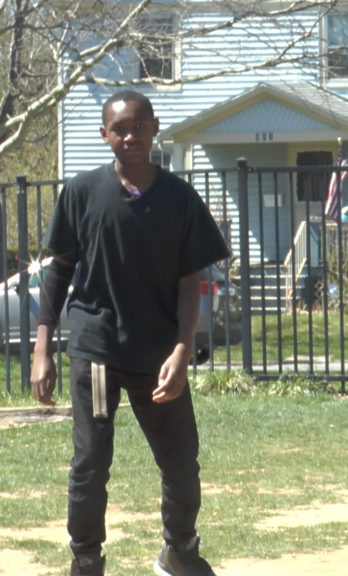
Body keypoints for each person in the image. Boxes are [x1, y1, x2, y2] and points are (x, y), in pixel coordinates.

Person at [30, 90, 228, 576]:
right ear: (105, 135)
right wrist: (42, 347)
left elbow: (190, 281)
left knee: (180, 459)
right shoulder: (82, 192)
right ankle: (86, 560)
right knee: (90, 462)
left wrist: (182, 349)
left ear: (155, 128)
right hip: (97, 351)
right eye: (119, 128)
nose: (130, 135)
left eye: (139, 126)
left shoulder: (179, 198)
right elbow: (59, 270)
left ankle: (179, 552)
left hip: (158, 356)